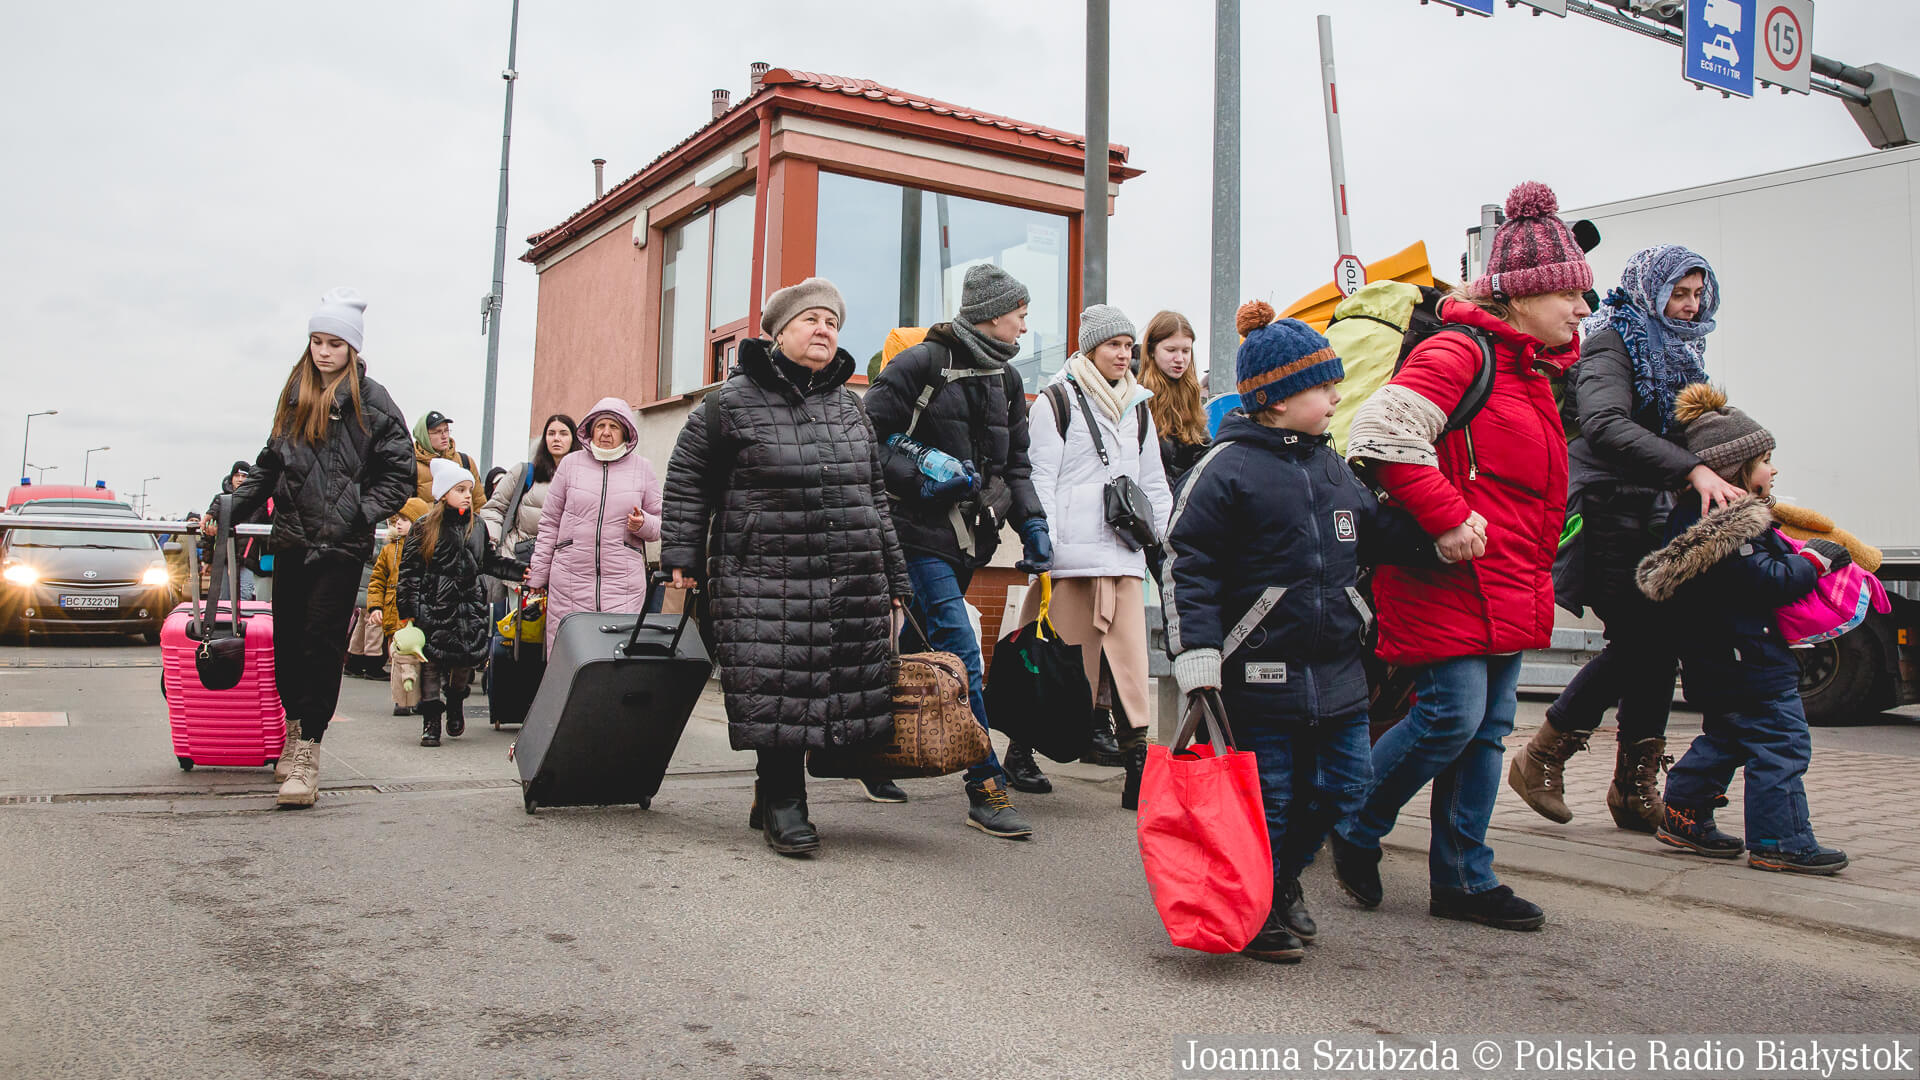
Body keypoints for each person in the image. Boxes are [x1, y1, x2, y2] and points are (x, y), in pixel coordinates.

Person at [1335, 181, 1592, 930]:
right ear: (1521, 296)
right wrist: (1448, 520)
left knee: (1485, 731)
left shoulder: (1534, 372)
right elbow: (1381, 435)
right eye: (1570, 294)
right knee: (1451, 718)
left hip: (1507, 578)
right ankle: (1352, 823)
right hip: (1448, 570)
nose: (1582, 309)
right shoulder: (1460, 351)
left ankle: (1464, 879)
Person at [1165, 305, 1437, 963]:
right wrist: (1197, 656)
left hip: (1338, 671)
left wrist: (1438, 522)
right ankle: (1259, 908)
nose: (1338, 397)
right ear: (1278, 398)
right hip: (1259, 676)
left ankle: (1283, 880)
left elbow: (1375, 532)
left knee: (1345, 786)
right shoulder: (1225, 468)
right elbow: (1187, 562)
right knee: (1275, 801)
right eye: (1325, 387)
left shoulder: (1333, 467)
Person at [660, 278, 913, 857]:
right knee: (775, 682)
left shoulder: (850, 405)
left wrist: (895, 578)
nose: (824, 330)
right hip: (761, 573)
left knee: (828, 685)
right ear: (778, 333)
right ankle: (783, 800)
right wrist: (680, 555)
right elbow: (687, 481)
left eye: (832, 322)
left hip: (849, 572)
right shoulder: (728, 404)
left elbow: (875, 496)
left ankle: (773, 791)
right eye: (811, 320)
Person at [1511, 246, 1744, 833]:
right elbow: (1605, 425)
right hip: (1605, 510)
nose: (1690, 307)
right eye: (1679, 294)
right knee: (1643, 639)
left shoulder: (1683, 350)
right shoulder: (1612, 341)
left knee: (1656, 646)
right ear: (1650, 289)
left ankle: (1632, 788)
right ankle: (1545, 753)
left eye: (1697, 294)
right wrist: (1690, 470)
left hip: (1651, 512)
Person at [1636, 384, 1850, 875]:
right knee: (1782, 743)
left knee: (1728, 736)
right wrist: (1817, 560)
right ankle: (1781, 841)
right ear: (1736, 470)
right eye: (1766, 460)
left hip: (1717, 661)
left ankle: (1684, 816)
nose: (1773, 471)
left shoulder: (1693, 519)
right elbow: (1767, 584)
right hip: (1749, 661)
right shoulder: (1727, 527)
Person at [863, 263, 1050, 817]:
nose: (1024, 325)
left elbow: (1016, 465)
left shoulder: (1007, 380)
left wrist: (1033, 527)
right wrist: (919, 480)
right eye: (1020, 314)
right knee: (960, 647)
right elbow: (865, 441)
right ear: (994, 315)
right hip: (915, 532)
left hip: (974, 540)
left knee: (903, 648)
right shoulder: (920, 363)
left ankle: (869, 752)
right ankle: (985, 784)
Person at [221, 287, 414, 808]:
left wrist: (356, 510)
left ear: (352, 349)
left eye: (334, 343)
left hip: (340, 546)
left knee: (320, 641)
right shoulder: (295, 395)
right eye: (317, 342)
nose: (324, 352)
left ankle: (309, 747)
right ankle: (292, 725)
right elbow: (269, 464)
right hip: (291, 538)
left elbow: (401, 477)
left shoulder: (373, 401)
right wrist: (229, 508)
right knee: (286, 643)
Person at [1017, 304, 1174, 809]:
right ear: (1090, 348)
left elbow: (1154, 484)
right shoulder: (1057, 401)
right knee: (1052, 666)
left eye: (1129, 346)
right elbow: (1040, 476)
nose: (1124, 355)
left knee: (1130, 670)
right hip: (1071, 562)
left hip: (1124, 559)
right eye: (1114, 345)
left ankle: (1136, 770)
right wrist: (1047, 546)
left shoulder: (1141, 408)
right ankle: (1019, 752)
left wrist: (1165, 543)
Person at [398, 459, 527, 746]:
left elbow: (489, 562)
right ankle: (431, 721)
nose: (468, 495)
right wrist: (409, 610)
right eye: (460, 489)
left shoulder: (477, 525)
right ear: (443, 494)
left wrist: (519, 571)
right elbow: (409, 572)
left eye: (469, 489)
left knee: (465, 663)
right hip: (435, 605)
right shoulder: (423, 527)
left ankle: (455, 703)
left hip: (469, 607)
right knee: (431, 663)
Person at [523, 401, 659, 657]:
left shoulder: (643, 468)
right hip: (569, 581)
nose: (606, 432)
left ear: (626, 432)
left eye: (614, 427)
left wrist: (643, 525)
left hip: (623, 584)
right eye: (600, 426)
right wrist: (539, 575)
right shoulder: (570, 464)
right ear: (590, 430)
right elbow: (550, 522)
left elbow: (660, 523)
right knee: (570, 658)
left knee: (616, 658)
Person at [480, 414, 580, 573]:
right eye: (551, 433)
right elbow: (495, 508)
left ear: (574, 439)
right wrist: (491, 540)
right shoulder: (524, 472)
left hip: (565, 566)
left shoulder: (584, 479)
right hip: (520, 562)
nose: (556, 438)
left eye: (563, 433)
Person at [366, 498, 431, 715]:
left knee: (420, 658)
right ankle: (401, 699)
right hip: (393, 614)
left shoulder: (427, 549)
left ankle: (421, 697)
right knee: (397, 658)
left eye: (405, 519)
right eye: (397, 520)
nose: (398, 524)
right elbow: (377, 581)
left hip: (419, 612)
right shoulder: (388, 551)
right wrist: (375, 607)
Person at [1139, 310, 1211, 489]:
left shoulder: (1190, 392)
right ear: (1152, 350)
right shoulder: (1136, 394)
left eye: (1186, 351)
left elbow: (1202, 448)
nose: (1180, 359)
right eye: (1171, 350)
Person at [201, 460, 271, 603]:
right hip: (224, 556)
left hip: (248, 558)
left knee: (244, 597)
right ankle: (224, 625)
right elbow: (209, 533)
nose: (240, 479)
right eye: (237, 475)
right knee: (223, 598)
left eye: (244, 476)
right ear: (231, 477)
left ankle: (242, 624)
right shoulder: (221, 499)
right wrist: (207, 560)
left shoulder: (259, 502)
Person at [412, 410, 479, 503]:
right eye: (437, 432)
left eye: (446, 430)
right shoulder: (410, 466)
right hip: (426, 518)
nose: (444, 436)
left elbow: (479, 503)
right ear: (424, 436)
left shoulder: (465, 461)